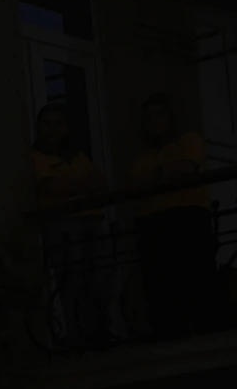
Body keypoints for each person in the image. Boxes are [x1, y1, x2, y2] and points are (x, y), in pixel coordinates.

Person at [125, 93, 219, 338]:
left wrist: (157, 176)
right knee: (162, 282)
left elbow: (187, 169)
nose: (155, 121)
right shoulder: (141, 157)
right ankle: (170, 331)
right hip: (154, 222)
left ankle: (204, 327)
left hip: (188, 217)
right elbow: (135, 182)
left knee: (195, 275)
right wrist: (165, 174)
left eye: (160, 114)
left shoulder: (189, 141)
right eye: (149, 117)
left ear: (171, 118)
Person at [30, 102, 110, 347]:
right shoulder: (36, 158)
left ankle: (99, 335)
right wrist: (80, 185)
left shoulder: (77, 156)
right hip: (62, 226)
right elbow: (50, 187)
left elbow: (100, 182)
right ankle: (77, 339)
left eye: (59, 123)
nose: (53, 129)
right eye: (47, 123)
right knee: (70, 282)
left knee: (96, 280)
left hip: (91, 223)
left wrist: (69, 184)